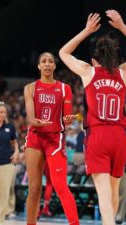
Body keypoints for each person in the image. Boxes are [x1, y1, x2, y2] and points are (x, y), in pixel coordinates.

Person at [59, 10, 126, 225]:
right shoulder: (123, 72)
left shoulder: (88, 72)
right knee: (114, 191)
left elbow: (63, 53)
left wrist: (87, 31)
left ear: (93, 59)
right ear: (114, 57)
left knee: (104, 193)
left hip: (98, 135)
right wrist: (122, 26)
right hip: (119, 136)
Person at [23, 52, 79, 225]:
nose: (47, 64)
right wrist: (36, 122)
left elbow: (66, 117)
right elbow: (30, 118)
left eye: (50, 61)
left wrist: (68, 119)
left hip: (55, 140)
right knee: (34, 188)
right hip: (35, 137)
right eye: (43, 61)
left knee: (61, 187)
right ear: (39, 66)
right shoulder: (30, 88)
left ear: (55, 66)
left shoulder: (65, 88)